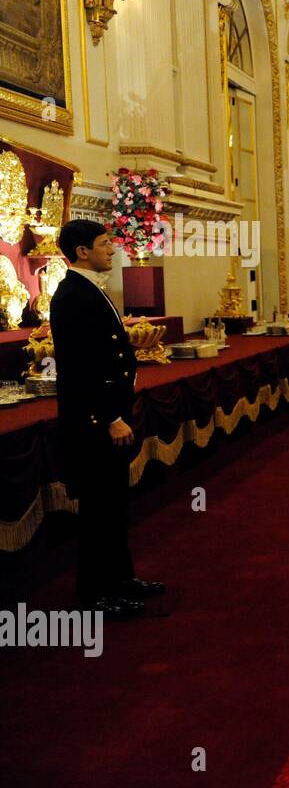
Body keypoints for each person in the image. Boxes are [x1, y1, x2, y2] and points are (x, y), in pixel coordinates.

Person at [50, 220, 165, 617]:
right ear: (82, 252)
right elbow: (80, 368)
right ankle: (96, 593)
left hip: (109, 417)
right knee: (99, 511)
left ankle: (120, 578)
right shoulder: (72, 296)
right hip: (94, 423)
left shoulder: (89, 290)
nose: (112, 249)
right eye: (104, 244)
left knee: (114, 505)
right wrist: (109, 416)